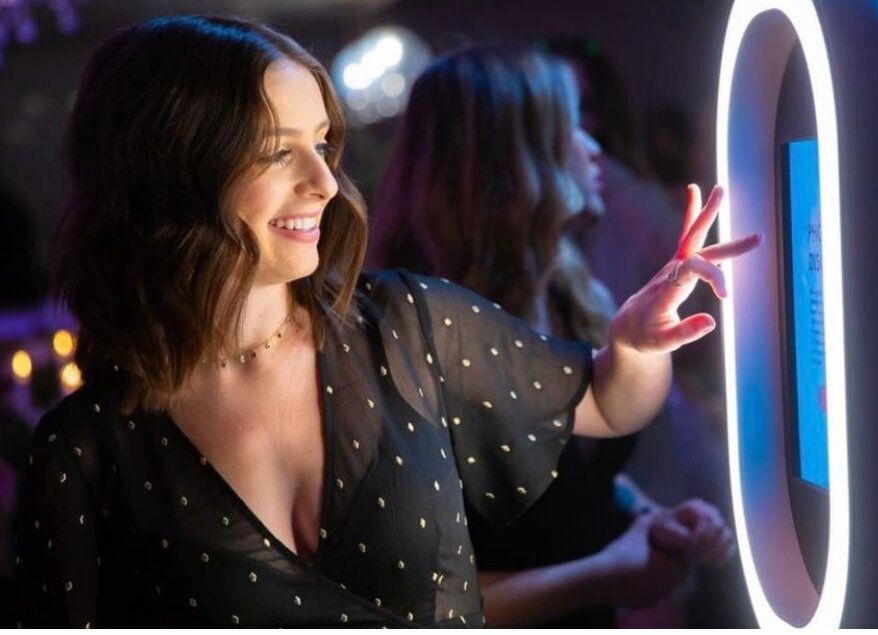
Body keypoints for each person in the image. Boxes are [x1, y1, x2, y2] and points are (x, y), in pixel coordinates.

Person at [10, 15, 760, 628]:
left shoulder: (406, 325)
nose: (325, 181)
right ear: (173, 172)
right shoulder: (85, 451)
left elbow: (606, 402)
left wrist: (634, 345)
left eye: (322, 144)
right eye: (278, 152)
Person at [369, 46, 736, 627]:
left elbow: (572, 474)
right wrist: (604, 574)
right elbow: (412, 603)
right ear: (510, 157)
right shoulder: (411, 334)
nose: (594, 147)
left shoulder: (569, 288)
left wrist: (649, 518)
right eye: (571, 126)